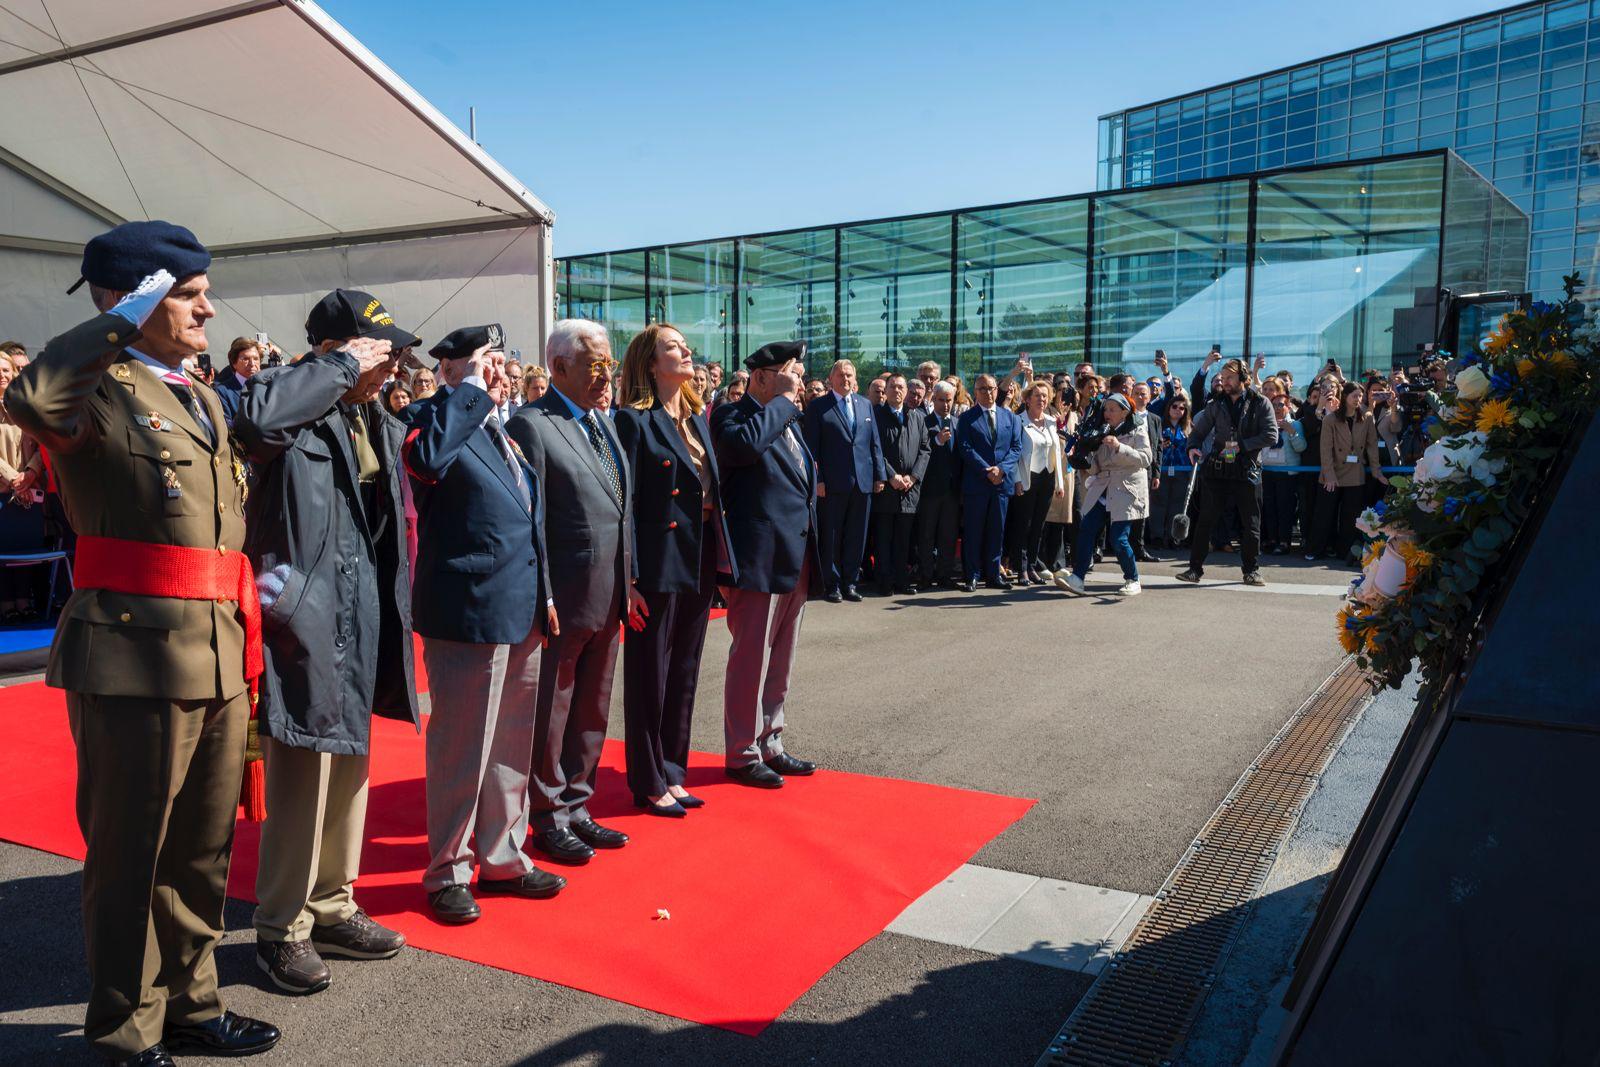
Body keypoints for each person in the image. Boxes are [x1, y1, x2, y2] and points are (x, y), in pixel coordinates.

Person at [7, 222, 280, 1062]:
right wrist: (119, 319)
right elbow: (32, 401)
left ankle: (193, 1002)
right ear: (135, 300)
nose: (207, 309)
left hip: (218, 645)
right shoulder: (98, 386)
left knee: (202, 849)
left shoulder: (200, 394)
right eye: (188, 294)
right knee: (133, 851)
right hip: (134, 653)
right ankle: (127, 1022)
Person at [232, 289, 422, 993]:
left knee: (350, 761)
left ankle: (334, 905)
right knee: (304, 766)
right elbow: (256, 423)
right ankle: (281, 927)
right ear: (337, 348)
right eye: (381, 353)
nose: (392, 367)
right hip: (303, 610)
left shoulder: (369, 411)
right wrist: (340, 368)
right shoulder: (286, 391)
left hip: (360, 606)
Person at [403, 323, 565, 924]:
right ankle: (448, 869)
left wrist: (546, 594)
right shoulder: (429, 416)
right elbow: (426, 461)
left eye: (501, 360)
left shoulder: (503, 428)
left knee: (509, 744)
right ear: (450, 368)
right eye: (485, 361)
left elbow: (527, 519)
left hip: (519, 605)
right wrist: (468, 391)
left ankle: (503, 856)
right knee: (463, 748)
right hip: (466, 610)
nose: (499, 371)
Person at [505, 320, 645, 866]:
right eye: (594, 363)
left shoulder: (601, 421)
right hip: (564, 597)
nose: (605, 374)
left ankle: (578, 804)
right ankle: (547, 815)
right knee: (553, 710)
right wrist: (543, 595)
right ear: (559, 366)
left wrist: (629, 581)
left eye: (608, 363)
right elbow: (530, 522)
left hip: (609, 593)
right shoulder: (532, 424)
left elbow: (621, 511)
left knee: (593, 706)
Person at [612, 324, 736, 816]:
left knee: (685, 666)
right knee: (651, 671)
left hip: (699, 550)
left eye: (685, 345)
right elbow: (626, 505)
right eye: (673, 347)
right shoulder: (633, 421)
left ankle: (672, 770)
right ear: (649, 363)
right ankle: (647, 779)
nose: (686, 351)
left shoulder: (696, 417)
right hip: (657, 558)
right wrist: (630, 579)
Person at [712, 340, 820, 789]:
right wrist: (782, 402)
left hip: (793, 554)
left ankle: (771, 740)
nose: (798, 382)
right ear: (760, 377)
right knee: (751, 657)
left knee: (782, 657)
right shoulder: (731, 415)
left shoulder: (786, 417)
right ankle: (741, 751)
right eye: (790, 373)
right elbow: (744, 447)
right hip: (757, 557)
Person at [1176, 358, 1278, 587]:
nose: (1224, 381)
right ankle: (1194, 570)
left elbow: (1271, 435)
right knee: (1205, 521)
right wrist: (1192, 447)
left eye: (1230, 377)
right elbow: (1198, 432)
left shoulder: (1260, 402)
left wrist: (1241, 445)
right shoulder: (1216, 404)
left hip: (1247, 469)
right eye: (1223, 377)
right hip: (1218, 469)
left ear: (1244, 378)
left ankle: (1251, 571)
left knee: (1251, 524)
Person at [802, 358, 886, 603]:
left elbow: (874, 443)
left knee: (856, 535)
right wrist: (817, 481)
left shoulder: (864, 404)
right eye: (841, 375)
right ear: (831, 379)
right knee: (832, 536)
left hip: (863, 481)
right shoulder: (818, 407)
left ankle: (850, 582)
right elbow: (811, 448)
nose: (845, 379)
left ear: (855, 378)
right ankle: (832, 584)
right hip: (832, 484)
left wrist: (879, 475)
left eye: (849, 375)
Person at [1055, 392, 1152, 596]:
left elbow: (1146, 458)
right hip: (1103, 486)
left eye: (1112, 409)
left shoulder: (1138, 428)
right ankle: (1078, 578)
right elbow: (1096, 467)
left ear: (1125, 412)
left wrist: (1119, 447)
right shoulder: (1100, 430)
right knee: (1086, 529)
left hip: (1127, 488)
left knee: (1118, 538)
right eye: (1106, 409)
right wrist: (1081, 459)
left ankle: (1132, 579)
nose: (1107, 413)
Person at [1304, 380, 1386, 563]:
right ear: (1345, 396)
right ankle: (1315, 549)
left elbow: (1372, 445)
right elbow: (1325, 449)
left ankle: (1346, 552)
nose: (1358, 399)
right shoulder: (1330, 419)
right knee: (1324, 513)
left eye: (1360, 396)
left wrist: (1376, 471)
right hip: (1332, 471)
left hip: (1355, 472)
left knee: (1351, 516)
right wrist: (1329, 475)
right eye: (1354, 396)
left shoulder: (1367, 417)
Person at [955, 373, 1023, 591]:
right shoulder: (967, 418)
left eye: (991, 388)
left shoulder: (1010, 417)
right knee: (974, 532)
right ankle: (972, 576)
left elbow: (1016, 447)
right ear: (975, 392)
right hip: (977, 483)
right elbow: (965, 448)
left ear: (997, 390)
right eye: (982, 389)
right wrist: (987, 470)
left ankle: (994, 575)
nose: (988, 393)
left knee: (997, 531)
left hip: (1001, 484)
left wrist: (1001, 469)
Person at [871, 373, 930, 595]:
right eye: (893, 387)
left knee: (903, 540)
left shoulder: (917, 417)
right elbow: (875, 448)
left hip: (909, 489)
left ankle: (901, 581)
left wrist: (913, 477)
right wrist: (891, 475)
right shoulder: (876, 415)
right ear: (885, 391)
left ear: (906, 392)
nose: (897, 390)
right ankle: (884, 581)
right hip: (887, 488)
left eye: (901, 387)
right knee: (884, 538)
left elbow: (925, 450)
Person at [0, 351, 44, 619]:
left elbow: (43, 444)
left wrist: (29, 473)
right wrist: (15, 479)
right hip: (5, 492)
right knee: (3, 551)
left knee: (27, 550)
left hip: (29, 491)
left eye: (6, 370)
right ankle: (6, 605)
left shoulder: (26, 408)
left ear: (14, 374)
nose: (2, 375)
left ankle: (24, 602)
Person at [1009, 381, 1066, 585]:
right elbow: (1015, 453)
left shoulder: (1051, 421)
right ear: (1027, 399)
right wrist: (1016, 480)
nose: (1041, 399)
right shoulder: (1019, 421)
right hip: (1027, 477)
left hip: (1047, 477)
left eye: (1044, 395)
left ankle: (1032, 566)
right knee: (1023, 524)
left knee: (1038, 525)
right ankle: (1021, 568)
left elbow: (1056, 452)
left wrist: (1059, 483)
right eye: (1037, 395)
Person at [916, 381, 963, 588]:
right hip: (929, 490)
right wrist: (937, 442)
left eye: (949, 400)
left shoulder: (957, 423)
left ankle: (944, 575)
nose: (945, 404)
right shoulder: (923, 422)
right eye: (941, 400)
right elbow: (919, 453)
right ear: (933, 399)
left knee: (948, 535)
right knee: (926, 535)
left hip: (952, 491)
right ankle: (926, 575)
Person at [1258, 391, 1307, 554]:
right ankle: (1272, 539)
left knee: (1284, 508)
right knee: (1269, 507)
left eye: (1281, 405)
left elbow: (1301, 447)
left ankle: (1284, 541)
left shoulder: (1295, 424)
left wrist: (1291, 431)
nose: (1277, 408)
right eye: (1274, 405)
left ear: (1288, 407)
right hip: (1268, 471)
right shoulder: (1266, 423)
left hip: (1287, 472)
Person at [1146, 390, 1193, 547]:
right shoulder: (1159, 424)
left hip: (1182, 470)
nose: (1178, 410)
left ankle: (1174, 537)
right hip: (1163, 469)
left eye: (1182, 408)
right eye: (1174, 406)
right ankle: (1157, 537)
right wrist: (1161, 446)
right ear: (1168, 408)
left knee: (1177, 505)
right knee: (1158, 505)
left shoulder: (1188, 427)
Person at [1127, 380, 1164, 562]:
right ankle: (1122, 547)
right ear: (1131, 396)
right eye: (1137, 393)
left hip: (1147, 471)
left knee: (1142, 509)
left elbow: (1158, 448)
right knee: (1126, 509)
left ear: (1150, 397)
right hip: (1126, 468)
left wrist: (1156, 474)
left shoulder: (1155, 419)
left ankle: (1139, 548)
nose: (1141, 397)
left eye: (1144, 394)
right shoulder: (1126, 416)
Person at [212, 336, 264, 426]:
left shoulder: (268, 386)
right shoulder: (222, 392)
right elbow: (227, 426)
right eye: (246, 359)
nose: (252, 364)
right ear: (234, 363)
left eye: (256, 359)